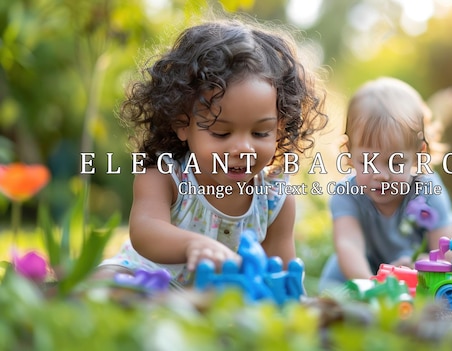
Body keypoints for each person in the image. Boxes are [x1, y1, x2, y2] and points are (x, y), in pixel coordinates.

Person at [95, 18, 327, 288]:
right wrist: (194, 245)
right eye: (221, 133)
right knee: (106, 281)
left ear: (280, 127)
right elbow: (145, 232)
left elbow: (277, 275)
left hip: (212, 305)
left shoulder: (275, 199)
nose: (243, 148)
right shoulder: (166, 176)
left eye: (260, 133)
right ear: (182, 123)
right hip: (149, 281)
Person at [318, 77, 452, 291]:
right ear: (349, 153)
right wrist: (371, 287)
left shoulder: (427, 189)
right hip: (356, 275)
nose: (381, 175)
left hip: (411, 276)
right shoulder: (347, 193)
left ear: (418, 155)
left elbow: (447, 246)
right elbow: (349, 245)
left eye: (396, 162)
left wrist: (425, 264)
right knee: (334, 295)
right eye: (367, 161)